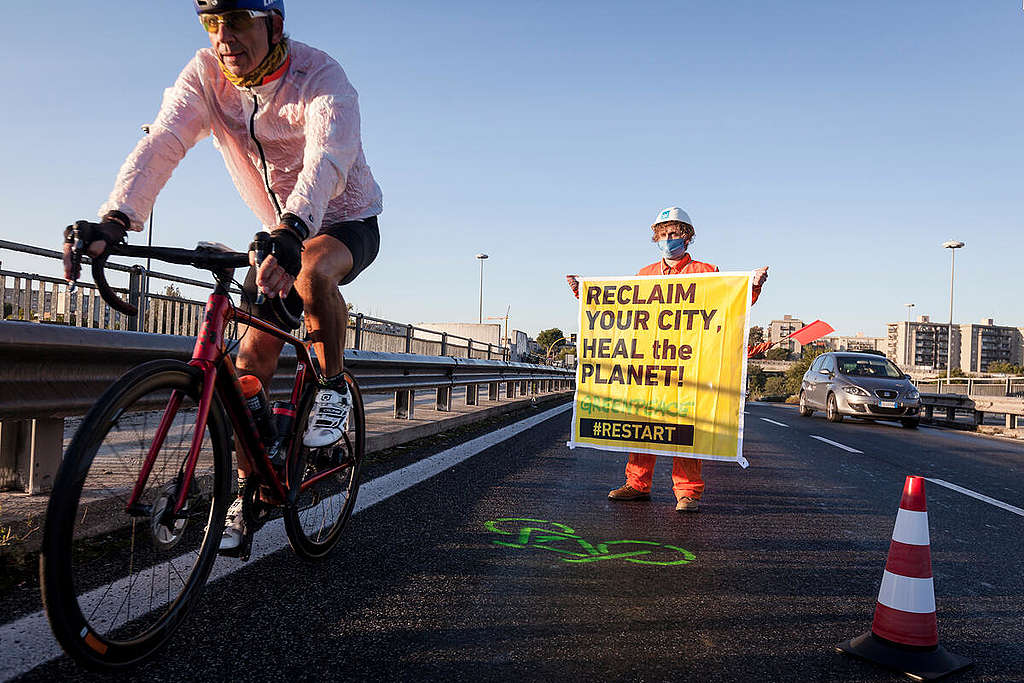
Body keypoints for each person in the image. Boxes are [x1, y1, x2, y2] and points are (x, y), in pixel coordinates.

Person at [61, 0, 383, 551]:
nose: (224, 36)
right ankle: (252, 483)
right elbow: (164, 140)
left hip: (343, 218)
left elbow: (328, 156)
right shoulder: (206, 75)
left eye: (236, 21)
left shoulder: (320, 74)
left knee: (309, 271)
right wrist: (118, 218)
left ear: (273, 25)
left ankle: (329, 386)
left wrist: (294, 227)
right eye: (212, 23)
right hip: (278, 232)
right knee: (244, 367)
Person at [567, 206, 768, 513]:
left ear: (687, 238)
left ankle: (687, 492)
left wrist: (752, 285)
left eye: (674, 234)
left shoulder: (706, 272)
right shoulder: (645, 275)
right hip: (649, 364)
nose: (668, 239)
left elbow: (731, 305)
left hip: (689, 366)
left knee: (685, 427)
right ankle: (637, 484)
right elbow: (624, 310)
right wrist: (586, 295)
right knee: (642, 422)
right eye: (663, 235)